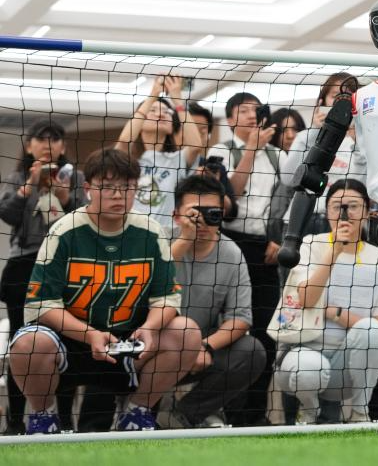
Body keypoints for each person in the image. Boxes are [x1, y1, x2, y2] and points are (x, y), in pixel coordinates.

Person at [7, 148, 199, 434]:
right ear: (88, 189)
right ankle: (43, 417)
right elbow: (43, 304)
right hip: (71, 344)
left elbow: (167, 299)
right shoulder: (64, 231)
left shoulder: (151, 231)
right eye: (108, 187)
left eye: (127, 187)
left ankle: (137, 413)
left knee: (187, 332)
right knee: (27, 343)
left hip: (129, 343)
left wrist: (149, 327)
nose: (118, 195)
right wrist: (89, 335)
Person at [275, 179, 378, 424]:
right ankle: (310, 413)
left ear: (368, 212)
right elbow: (306, 299)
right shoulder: (310, 244)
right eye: (337, 207)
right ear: (327, 211)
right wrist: (334, 252)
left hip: (345, 365)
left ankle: (360, 414)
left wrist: (333, 312)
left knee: (371, 330)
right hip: (302, 352)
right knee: (308, 370)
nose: (345, 214)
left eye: (353, 206)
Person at [0, 120, 86, 434]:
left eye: (55, 138)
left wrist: (65, 197)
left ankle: (64, 421)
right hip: (23, 265)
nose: (48, 144)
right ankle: (14, 423)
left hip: (66, 264)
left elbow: (87, 219)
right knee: (20, 342)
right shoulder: (17, 177)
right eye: (41, 138)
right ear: (29, 145)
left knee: (64, 340)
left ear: (63, 146)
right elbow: (7, 215)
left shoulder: (75, 177)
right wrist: (30, 186)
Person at [168, 175, 266, 428]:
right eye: (194, 213)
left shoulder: (232, 254)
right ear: (176, 215)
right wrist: (184, 240)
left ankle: (187, 414)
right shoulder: (160, 241)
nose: (201, 220)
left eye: (211, 213)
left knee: (251, 351)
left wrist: (205, 347)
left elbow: (240, 319)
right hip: (155, 345)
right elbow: (146, 288)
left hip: (201, 350)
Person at [207, 91, 281, 426]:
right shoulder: (220, 151)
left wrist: (281, 238)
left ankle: (256, 414)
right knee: (232, 327)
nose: (253, 115)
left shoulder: (279, 155)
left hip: (268, 247)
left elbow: (288, 199)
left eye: (257, 109)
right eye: (244, 110)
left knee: (266, 330)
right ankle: (229, 412)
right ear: (229, 118)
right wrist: (251, 149)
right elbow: (228, 199)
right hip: (230, 242)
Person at [280, 72, 366, 233]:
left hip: (341, 222)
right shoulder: (305, 137)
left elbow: (359, 187)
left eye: (348, 97)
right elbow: (288, 178)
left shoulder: (361, 143)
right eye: (335, 96)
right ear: (322, 101)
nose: (342, 102)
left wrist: (359, 142)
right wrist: (315, 131)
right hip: (301, 217)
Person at [114, 75, 203, 230]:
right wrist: (153, 95)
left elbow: (196, 146)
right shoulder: (127, 158)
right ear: (139, 122)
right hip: (130, 231)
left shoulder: (177, 159)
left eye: (166, 111)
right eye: (153, 110)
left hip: (167, 233)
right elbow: (124, 140)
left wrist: (177, 99)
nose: (160, 114)